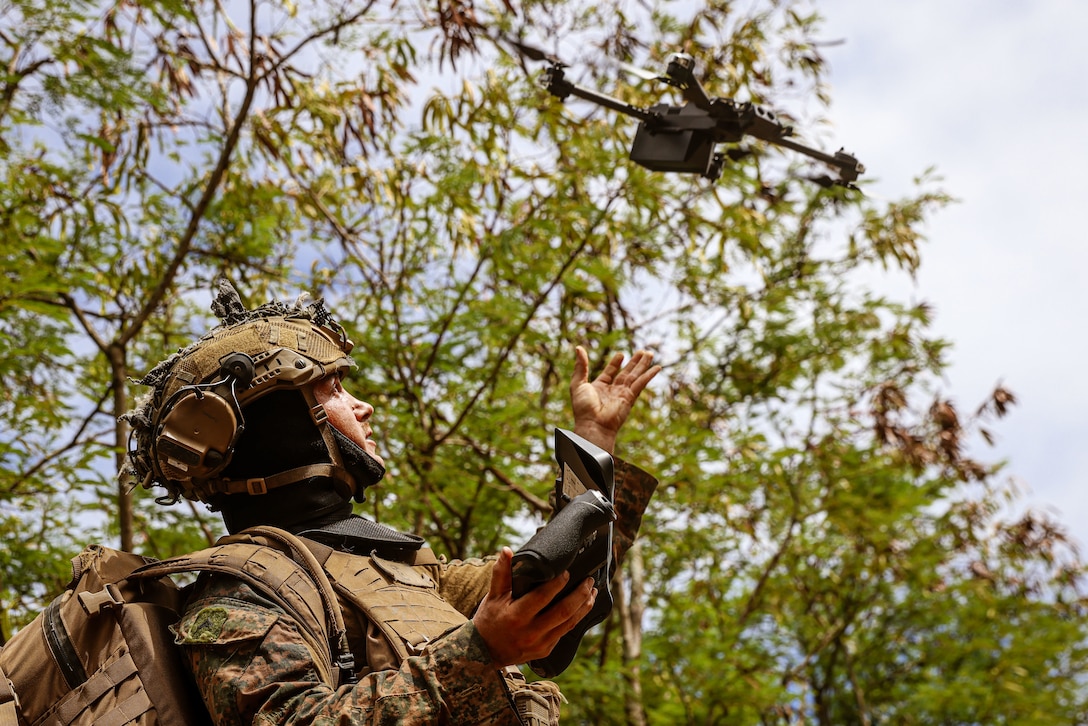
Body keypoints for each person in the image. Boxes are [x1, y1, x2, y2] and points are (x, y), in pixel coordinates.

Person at [121, 280, 661, 725]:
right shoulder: (238, 593)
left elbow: (553, 584)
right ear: (276, 427)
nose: (363, 405)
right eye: (330, 389)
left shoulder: (400, 573)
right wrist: (479, 655)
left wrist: (594, 446)